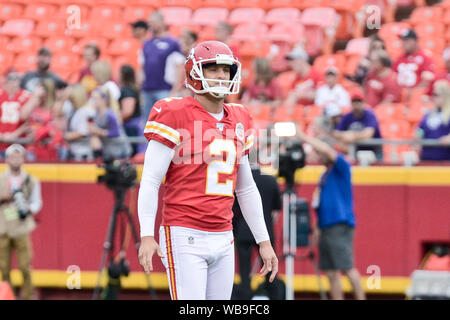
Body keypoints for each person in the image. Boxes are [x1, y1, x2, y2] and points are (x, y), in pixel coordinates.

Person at [137, 40, 278, 300]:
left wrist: (264, 241)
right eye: (213, 69)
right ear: (194, 72)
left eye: (225, 70)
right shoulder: (173, 113)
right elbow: (151, 181)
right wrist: (147, 234)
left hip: (223, 235)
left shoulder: (239, 117)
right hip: (184, 231)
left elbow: (246, 188)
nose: (221, 75)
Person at [295, 130, 366, 300]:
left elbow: (327, 151)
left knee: (348, 268)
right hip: (326, 226)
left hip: (339, 224)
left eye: (320, 152)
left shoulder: (342, 165)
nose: (319, 155)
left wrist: (302, 136)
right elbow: (321, 204)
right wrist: (318, 228)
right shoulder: (324, 175)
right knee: (331, 271)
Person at [231, 159, 282, 300]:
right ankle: (273, 296)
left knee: (244, 272)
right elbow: (276, 209)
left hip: (243, 232)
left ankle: (245, 298)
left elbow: (234, 209)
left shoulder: (237, 181)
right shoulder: (271, 181)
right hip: (265, 232)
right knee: (270, 270)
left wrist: (235, 230)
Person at [0, 144, 42, 300]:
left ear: (23, 159)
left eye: (18, 157)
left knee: (25, 266)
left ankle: (29, 296)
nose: (15, 160)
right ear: (7, 159)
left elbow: (37, 202)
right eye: (13, 157)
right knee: (3, 267)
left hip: (21, 227)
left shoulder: (30, 179)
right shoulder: (1, 178)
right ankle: (6, 296)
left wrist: (27, 208)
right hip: (3, 226)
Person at [141, 11, 183, 120]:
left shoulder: (173, 43)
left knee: (166, 121)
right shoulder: (147, 43)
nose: (150, 25)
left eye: (153, 22)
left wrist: (175, 90)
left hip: (165, 89)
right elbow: (142, 66)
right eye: (149, 23)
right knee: (148, 123)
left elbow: (180, 67)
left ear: (161, 22)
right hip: (147, 89)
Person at [0, 71, 44, 158]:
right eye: (11, 79)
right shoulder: (1, 94)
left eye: (16, 80)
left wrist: (13, 135)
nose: (14, 83)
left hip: (19, 144)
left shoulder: (27, 96)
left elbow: (27, 120)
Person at [333, 90, 383, 160]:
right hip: (355, 150)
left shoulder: (370, 115)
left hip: (373, 149)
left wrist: (352, 135)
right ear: (351, 104)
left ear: (363, 103)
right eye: (354, 102)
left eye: (359, 102)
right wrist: (345, 135)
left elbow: (368, 134)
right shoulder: (347, 116)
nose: (357, 105)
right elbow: (335, 133)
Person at [89, 88, 131, 160]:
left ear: (103, 100)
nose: (93, 101)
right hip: (108, 150)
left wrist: (97, 131)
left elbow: (116, 132)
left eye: (96, 99)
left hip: (118, 150)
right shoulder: (96, 113)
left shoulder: (110, 114)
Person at [416, 80, 450, 161]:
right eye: (433, 95)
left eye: (436, 95)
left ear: (445, 96)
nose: (433, 98)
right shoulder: (428, 114)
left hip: (445, 159)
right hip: (426, 157)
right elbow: (420, 130)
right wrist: (417, 136)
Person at [118, 64, 143, 156]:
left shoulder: (128, 90)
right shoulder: (132, 88)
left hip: (131, 127)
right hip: (133, 125)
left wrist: (116, 120)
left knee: (132, 153)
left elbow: (128, 111)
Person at [130, 20, 150, 88]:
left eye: (135, 28)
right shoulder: (133, 45)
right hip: (132, 78)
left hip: (144, 78)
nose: (133, 31)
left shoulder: (148, 45)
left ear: (142, 30)